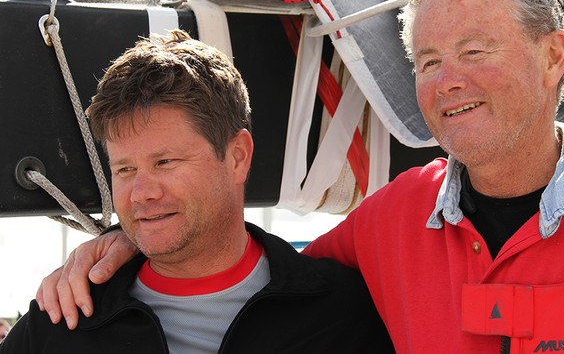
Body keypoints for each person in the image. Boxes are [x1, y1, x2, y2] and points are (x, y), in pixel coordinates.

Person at [34, 0, 564, 353]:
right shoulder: (391, 222)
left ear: (554, 56)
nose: (449, 82)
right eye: (428, 60)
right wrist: (126, 237)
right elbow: (231, 258)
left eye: (475, 51)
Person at [0, 30, 394, 353]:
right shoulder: (59, 323)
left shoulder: (344, 315)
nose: (140, 193)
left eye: (165, 162)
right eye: (125, 169)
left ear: (238, 157)